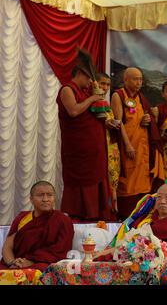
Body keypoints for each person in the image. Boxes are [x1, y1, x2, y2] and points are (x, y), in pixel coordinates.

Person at [95, 176, 167, 267]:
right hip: (139, 263)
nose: (162, 201)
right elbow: (130, 242)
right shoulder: (145, 219)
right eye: (159, 197)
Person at [57, 52, 112, 220]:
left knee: (98, 181)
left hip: (94, 151)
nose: (90, 82)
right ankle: (80, 218)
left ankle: (96, 218)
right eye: (88, 78)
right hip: (78, 151)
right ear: (80, 74)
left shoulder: (86, 91)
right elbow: (73, 111)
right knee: (82, 186)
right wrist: (91, 99)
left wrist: (97, 100)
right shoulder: (67, 89)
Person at [111, 67, 163, 220]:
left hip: (142, 149)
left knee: (143, 183)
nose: (139, 82)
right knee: (127, 182)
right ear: (126, 80)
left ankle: (142, 217)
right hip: (128, 147)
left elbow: (145, 118)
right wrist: (127, 145)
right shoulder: (118, 95)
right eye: (135, 79)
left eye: (140, 79)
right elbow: (118, 122)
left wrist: (147, 120)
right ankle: (126, 217)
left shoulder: (141, 98)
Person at [0, 181, 74, 272]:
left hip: (42, 263)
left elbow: (61, 250)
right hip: (15, 263)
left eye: (49, 195)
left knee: (39, 271)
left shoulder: (63, 220)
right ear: (31, 199)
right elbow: (7, 246)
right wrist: (12, 263)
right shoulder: (22, 218)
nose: (45, 199)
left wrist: (30, 261)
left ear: (54, 198)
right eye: (40, 195)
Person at [98, 73, 121, 214]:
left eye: (107, 84)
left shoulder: (106, 104)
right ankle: (106, 211)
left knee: (113, 181)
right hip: (100, 148)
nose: (105, 87)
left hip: (112, 148)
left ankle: (113, 210)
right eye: (102, 83)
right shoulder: (93, 102)